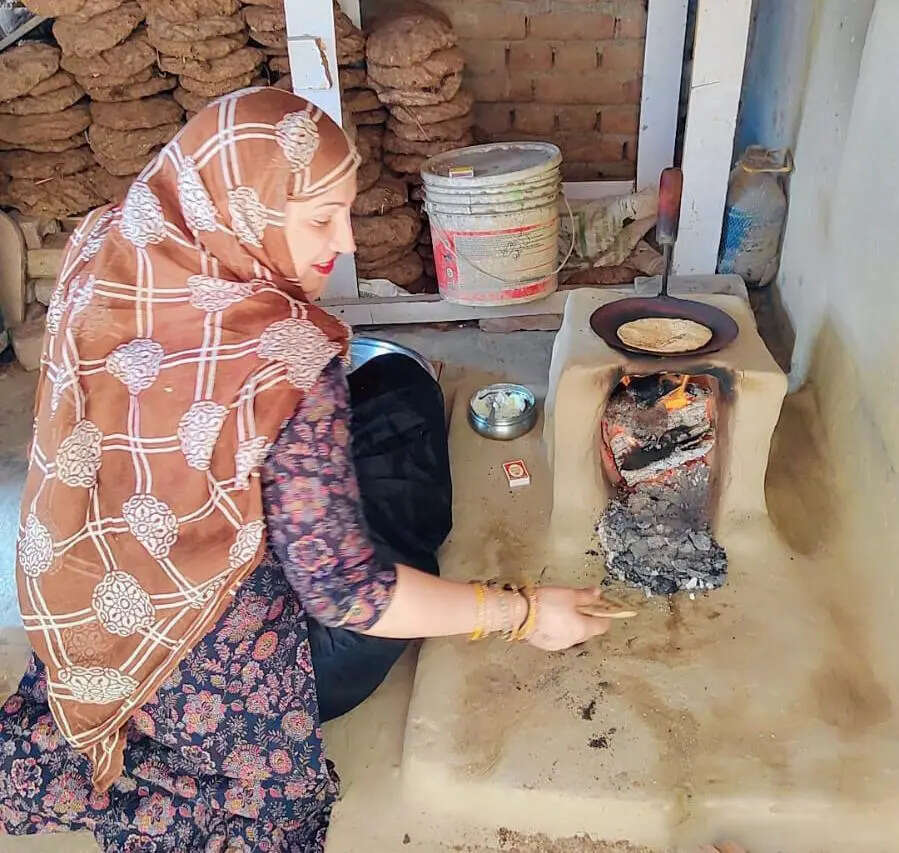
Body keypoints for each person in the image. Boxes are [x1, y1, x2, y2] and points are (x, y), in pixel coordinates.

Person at [0, 88, 614, 852]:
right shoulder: (284, 352)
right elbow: (349, 594)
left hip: (94, 652)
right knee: (403, 412)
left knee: (371, 403)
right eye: (321, 219)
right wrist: (522, 612)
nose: (344, 243)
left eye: (345, 214)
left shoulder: (105, 247)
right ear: (247, 209)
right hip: (232, 696)